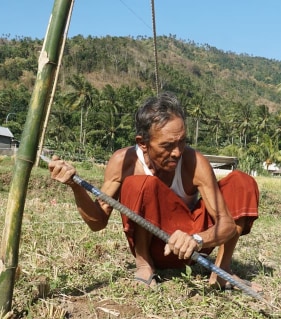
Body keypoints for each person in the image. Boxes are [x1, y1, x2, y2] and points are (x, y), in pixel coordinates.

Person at [49, 92, 260, 291]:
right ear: (142, 143)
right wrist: (76, 186)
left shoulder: (194, 162)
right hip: (158, 248)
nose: (177, 152)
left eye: (182, 142)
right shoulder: (124, 162)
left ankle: (222, 271)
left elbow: (226, 225)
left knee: (241, 182)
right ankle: (144, 265)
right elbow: (97, 222)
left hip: (193, 245)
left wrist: (196, 239)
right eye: (167, 146)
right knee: (140, 184)